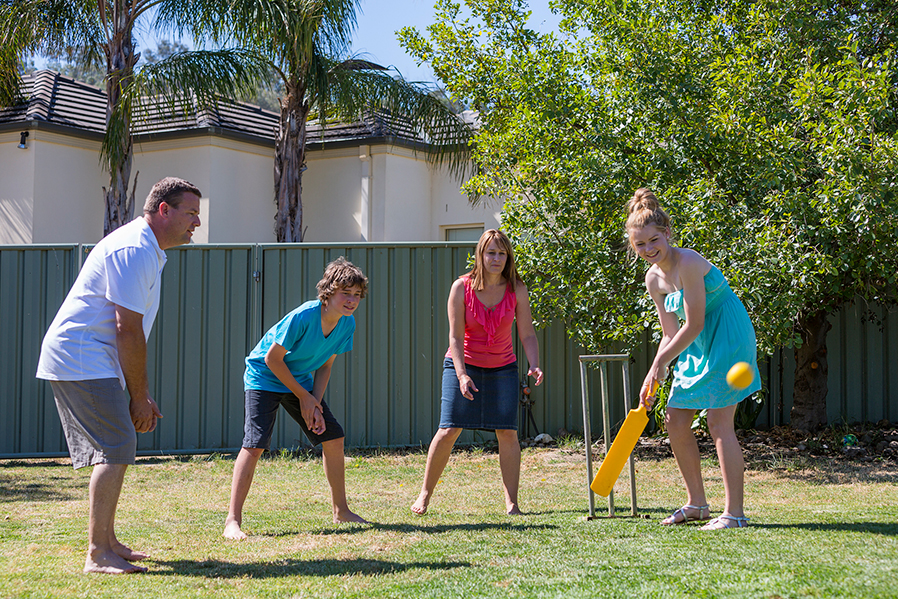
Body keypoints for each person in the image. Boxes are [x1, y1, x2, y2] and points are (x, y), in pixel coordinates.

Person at [36, 177, 202, 573]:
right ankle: (98, 553)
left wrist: (137, 391)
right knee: (115, 445)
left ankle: (108, 542)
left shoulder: (146, 248)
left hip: (90, 360)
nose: (197, 222)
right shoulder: (134, 248)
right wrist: (139, 395)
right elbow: (126, 328)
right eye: (191, 213)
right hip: (81, 358)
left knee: (117, 444)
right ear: (164, 210)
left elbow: (127, 331)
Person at [627, 188, 760, 530]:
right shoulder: (653, 279)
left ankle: (734, 514)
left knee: (718, 421)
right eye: (639, 245)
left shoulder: (687, 263)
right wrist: (654, 371)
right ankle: (697, 504)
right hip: (696, 343)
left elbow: (696, 322)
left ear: (667, 233)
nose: (648, 249)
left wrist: (661, 363)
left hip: (727, 335)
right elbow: (670, 334)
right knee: (674, 417)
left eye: (653, 240)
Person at [223, 258, 369, 540]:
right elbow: (272, 359)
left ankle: (341, 511)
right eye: (345, 293)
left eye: (357, 295)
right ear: (328, 292)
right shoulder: (304, 316)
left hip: (299, 381)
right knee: (254, 445)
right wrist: (304, 397)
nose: (351, 300)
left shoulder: (346, 324)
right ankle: (232, 521)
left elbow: (325, 365)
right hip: (264, 376)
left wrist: (314, 401)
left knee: (333, 437)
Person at [412, 229, 544, 516]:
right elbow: (455, 338)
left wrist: (534, 363)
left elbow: (528, 334)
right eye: (490, 252)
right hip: (464, 364)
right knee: (449, 429)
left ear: (508, 257)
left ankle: (512, 503)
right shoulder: (461, 288)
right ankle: (424, 494)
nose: (496, 258)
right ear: (480, 255)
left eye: (501, 253)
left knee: (507, 432)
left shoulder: (517, 288)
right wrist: (461, 375)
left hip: (502, 367)